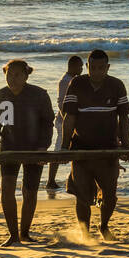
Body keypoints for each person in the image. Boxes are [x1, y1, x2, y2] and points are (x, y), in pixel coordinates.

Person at [62, 48, 129, 240]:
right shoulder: (77, 83)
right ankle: (84, 233)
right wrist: (63, 148)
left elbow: (124, 118)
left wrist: (125, 145)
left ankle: (104, 226)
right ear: (87, 67)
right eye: (93, 68)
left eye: (102, 68)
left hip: (108, 149)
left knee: (110, 195)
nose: (97, 72)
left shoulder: (116, 85)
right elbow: (69, 117)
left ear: (107, 67)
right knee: (82, 195)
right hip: (81, 149)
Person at [0, 59, 54, 245]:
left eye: (17, 75)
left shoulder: (39, 95)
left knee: (29, 191)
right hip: (8, 148)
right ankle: (13, 235)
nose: (12, 79)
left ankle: (25, 233)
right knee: (7, 188)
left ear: (26, 75)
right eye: (9, 74)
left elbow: (48, 123)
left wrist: (43, 147)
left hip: (34, 149)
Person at [47, 55, 83, 191]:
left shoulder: (74, 80)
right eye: (79, 66)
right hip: (64, 121)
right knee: (59, 150)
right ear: (72, 66)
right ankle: (51, 180)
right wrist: (68, 120)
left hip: (72, 119)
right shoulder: (65, 81)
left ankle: (74, 178)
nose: (81, 69)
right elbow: (62, 103)